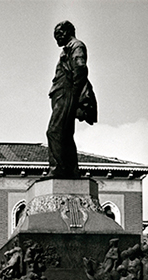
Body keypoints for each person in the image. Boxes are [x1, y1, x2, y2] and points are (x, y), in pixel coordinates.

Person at [46, 20, 97, 179]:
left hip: (66, 94)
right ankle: (71, 169)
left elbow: (81, 69)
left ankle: (59, 168)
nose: (57, 39)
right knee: (65, 134)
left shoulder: (76, 46)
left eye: (59, 34)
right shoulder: (68, 49)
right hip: (62, 94)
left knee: (54, 131)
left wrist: (74, 95)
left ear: (68, 32)